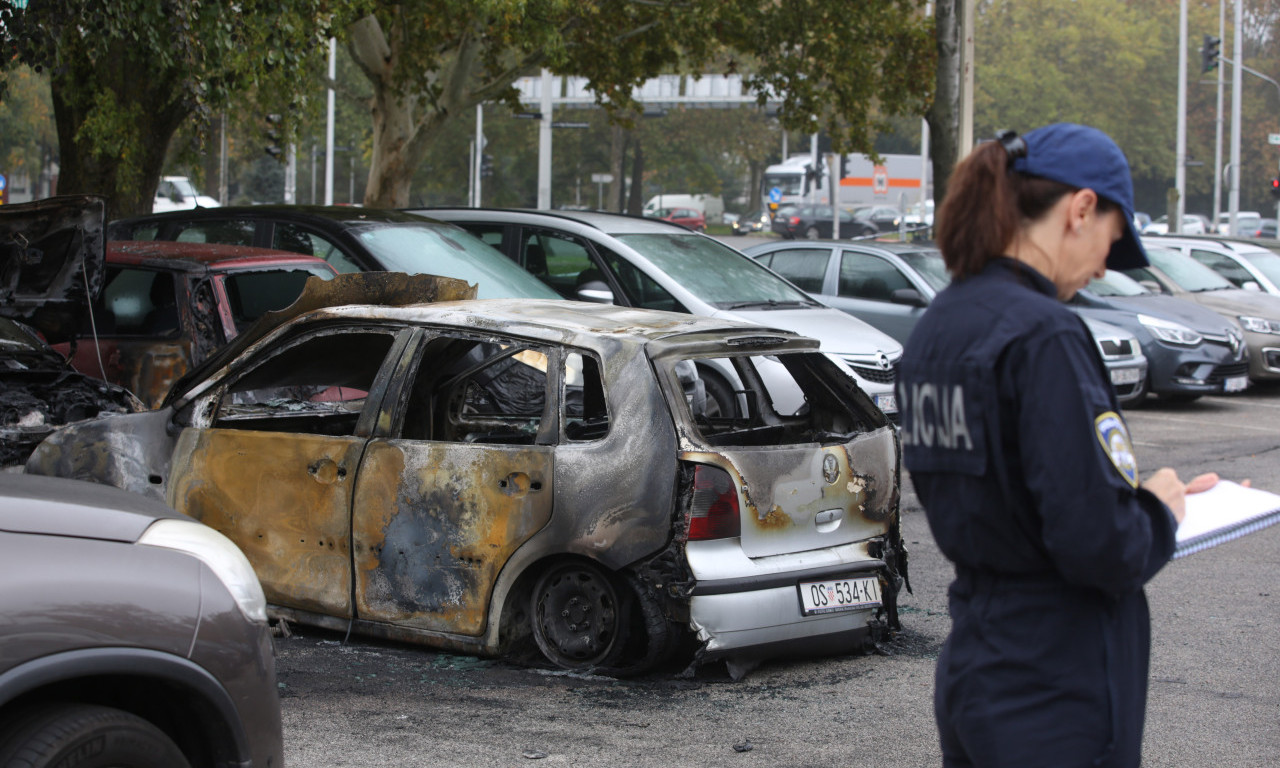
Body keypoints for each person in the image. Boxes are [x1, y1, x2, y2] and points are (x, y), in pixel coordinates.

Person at [896, 123, 1218, 768]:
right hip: (1057, 682)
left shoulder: (936, 330)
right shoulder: (1045, 335)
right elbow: (1100, 544)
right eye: (1111, 241)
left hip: (976, 667)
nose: (1104, 266)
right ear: (1081, 209)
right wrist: (1159, 508)